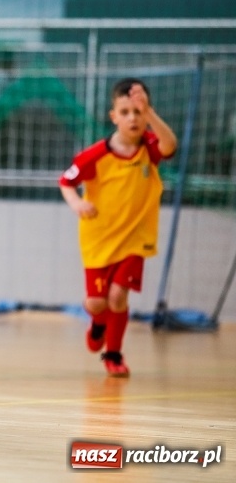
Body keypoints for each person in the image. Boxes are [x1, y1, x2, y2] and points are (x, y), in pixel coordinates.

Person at [59, 78, 177, 378]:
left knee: (117, 297)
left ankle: (113, 354)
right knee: (97, 302)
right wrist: (76, 204)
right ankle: (98, 323)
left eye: (138, 112)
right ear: (114, 117)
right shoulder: (95, 156)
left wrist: (150, 113)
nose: (133, 118)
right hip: (98, 239)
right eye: (125, 112)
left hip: (135, 238)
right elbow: (66, 181)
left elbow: (170, 145)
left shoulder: (149, 149)